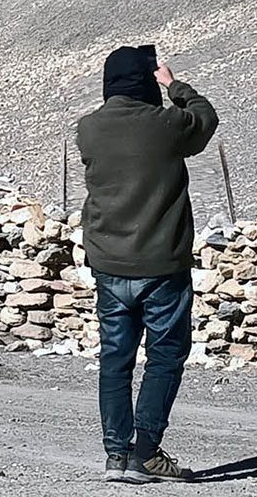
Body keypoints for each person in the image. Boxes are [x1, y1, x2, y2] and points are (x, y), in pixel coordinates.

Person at [76, 45, 217, 483]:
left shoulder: (89, 129)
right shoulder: (167, 125)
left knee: (115, 358)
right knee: (166, 354)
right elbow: (205, 118)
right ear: (145, 82)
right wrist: (174, 85)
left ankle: (116, 456)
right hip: (161, 265)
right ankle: (147, 452)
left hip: (109, 263)